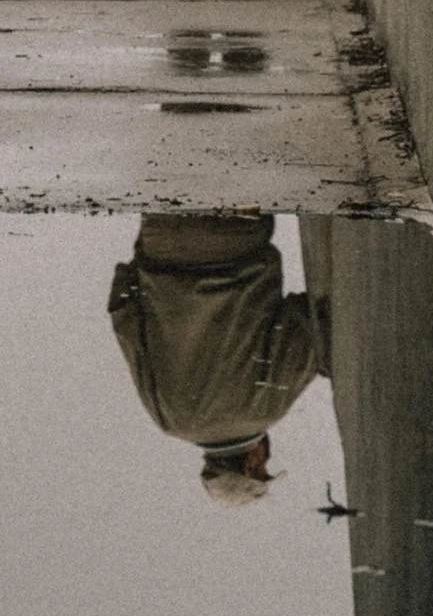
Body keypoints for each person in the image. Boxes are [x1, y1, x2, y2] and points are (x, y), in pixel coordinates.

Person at [105, 213, 330, 504]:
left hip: (239, 236)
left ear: (250, 465)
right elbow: (126, 323)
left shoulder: (264, 411)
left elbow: (306, 328)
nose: (265, 460)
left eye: (263, 468)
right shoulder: (168, 421)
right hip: (163, 238)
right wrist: (142, 261)